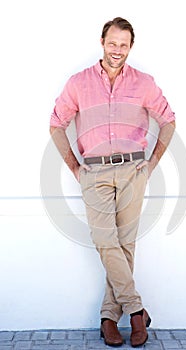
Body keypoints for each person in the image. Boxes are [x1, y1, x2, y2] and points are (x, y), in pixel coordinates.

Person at [50, 17, 175, 348]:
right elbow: (56, 124)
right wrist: (75, 167)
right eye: (112, 42)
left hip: (134, 170)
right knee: (106, 241)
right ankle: (136, 311)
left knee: (125, 244)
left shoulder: (144, 83)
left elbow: (169, 120)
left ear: (130, 46)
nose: (117, 49)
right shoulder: (78, 83)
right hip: (94, 173)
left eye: (124, 44)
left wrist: (152, 163)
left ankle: (108, 318)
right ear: (102, 41)